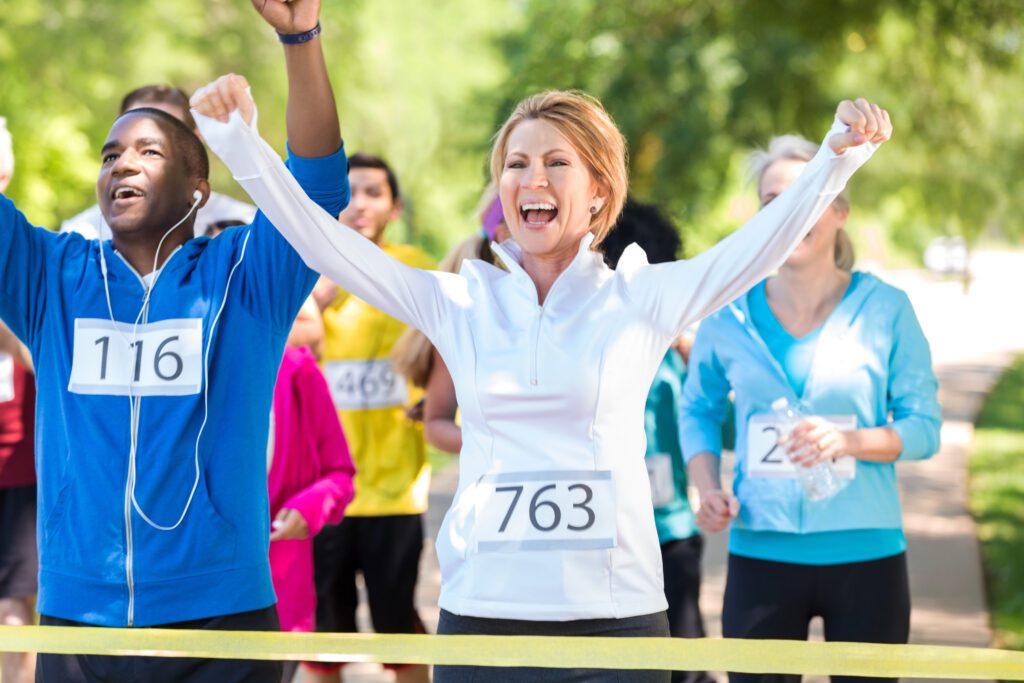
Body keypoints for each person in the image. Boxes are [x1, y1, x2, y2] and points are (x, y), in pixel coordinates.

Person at [194, 81, 891, 682]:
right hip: (482, 621)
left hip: (616, 624)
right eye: (517, 163)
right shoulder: (460, 301)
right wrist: (240, 145)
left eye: (558, 162)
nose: (533, 178)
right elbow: (326, 244)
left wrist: (836, 157)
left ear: (597, 194)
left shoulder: (641, 297)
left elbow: (757, 246)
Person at [0, 0, 349, 680]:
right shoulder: (53, 276)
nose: (122, 164)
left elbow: (317, 191)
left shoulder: (246, 277)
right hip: (78, 617)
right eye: (111, 154)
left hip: (222, 614)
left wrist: (299, 37)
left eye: (148, 151)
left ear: (198, 189)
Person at [680, 133, 941, 683]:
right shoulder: (726, 318)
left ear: (840, 210)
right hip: (761, 553)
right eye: (774, 203)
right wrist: (706, 486)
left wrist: (850, 441)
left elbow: (924, 429)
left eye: (809, 197)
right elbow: (697, 408)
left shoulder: (887, 308)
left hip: (867, 556)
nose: (792, 214)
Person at [304, 152, 435, 683]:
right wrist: (322, 290)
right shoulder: (306, 270)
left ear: (395, 207)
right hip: (322, 491)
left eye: (373, 192)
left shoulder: (414, 267)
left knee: (399, 631)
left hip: (394, 489)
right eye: (349, 191)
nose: (359, 203)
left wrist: (444, 397)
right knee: (324, 638)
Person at [601, 200, 713, 683]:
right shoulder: (590, 345)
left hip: (669, 531)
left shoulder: (677, 353)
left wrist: (695, 364)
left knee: (685, 659)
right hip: (602, 532)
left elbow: (715, 429)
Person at [269, 319, 356, 683]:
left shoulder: (298, 372)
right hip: (185, 591)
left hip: (277, 591)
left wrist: (308, 507)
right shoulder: (187, 366)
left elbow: (340, 474)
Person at [60, 86, 255, 240]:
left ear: (195, 141)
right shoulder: (83, 235)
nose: (129, 162)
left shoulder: (245, 225)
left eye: (152, 148)